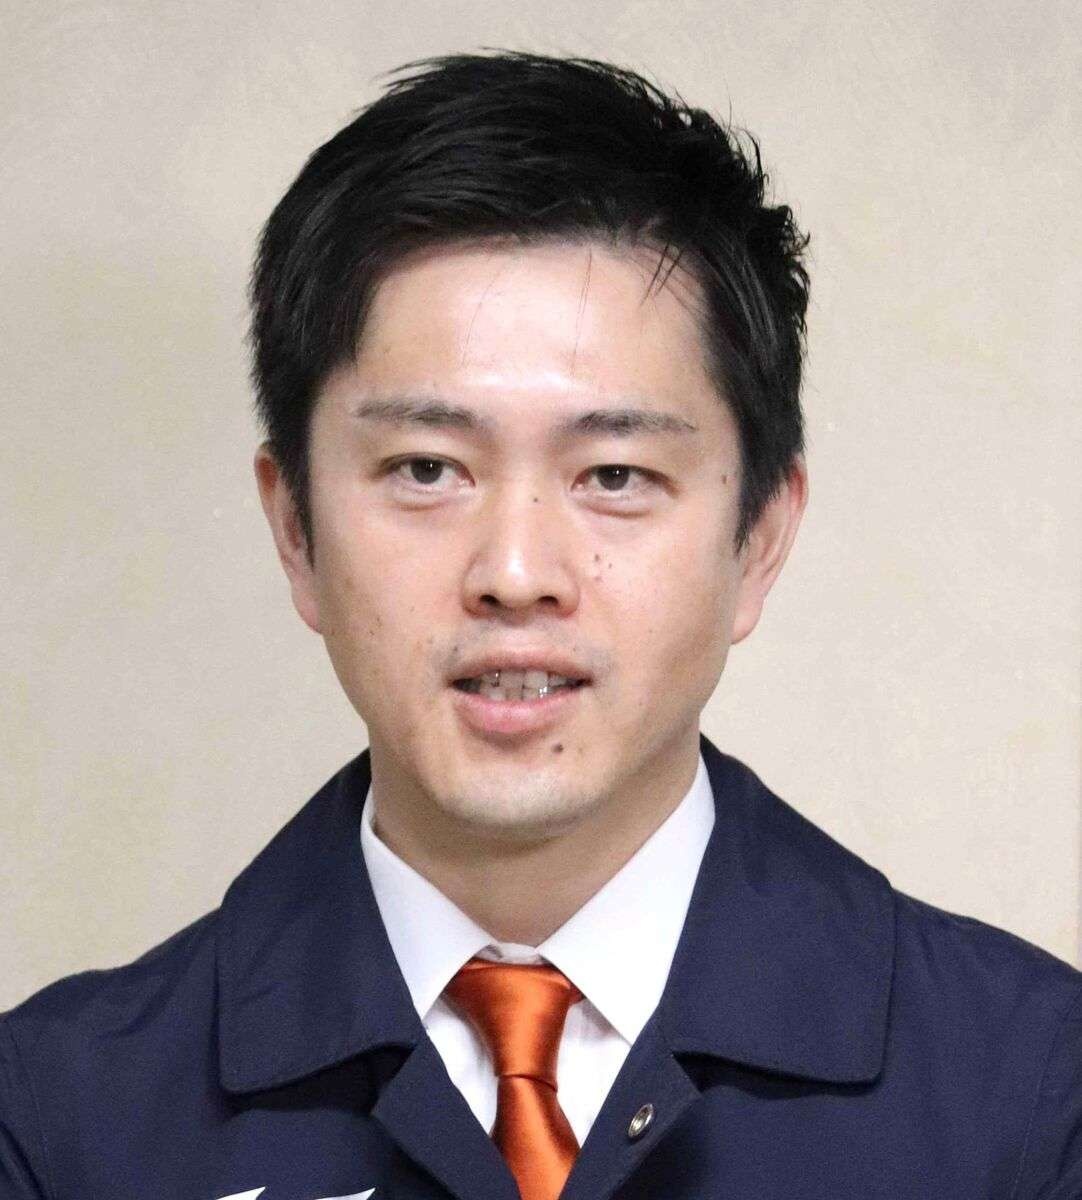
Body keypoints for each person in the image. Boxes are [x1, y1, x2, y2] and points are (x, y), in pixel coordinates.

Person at [2, 49, 1079, 1200]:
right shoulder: (58, 1121)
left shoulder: (1029, 1090)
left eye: (613, 475)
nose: (515, 575)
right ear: (295, 530)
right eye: (425, 468)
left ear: (759, 537)